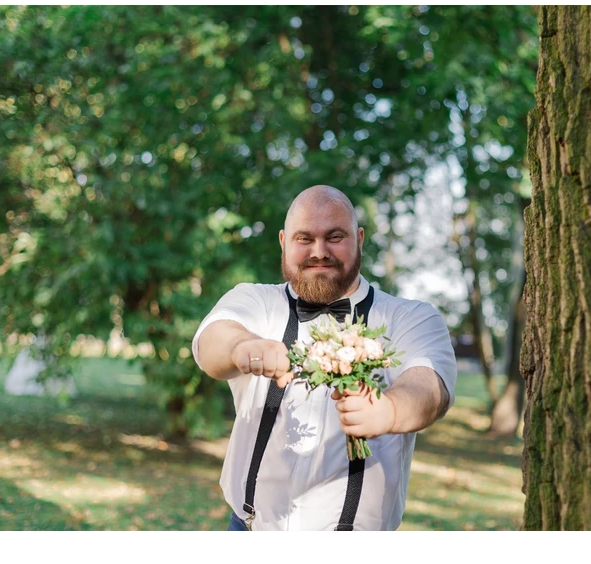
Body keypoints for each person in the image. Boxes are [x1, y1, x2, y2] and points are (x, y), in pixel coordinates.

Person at [192, 185, 457, 531]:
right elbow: (211, 340)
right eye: (304, 239)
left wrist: (389, 411)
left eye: (335, 237)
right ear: (284, 241)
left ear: (359, 239)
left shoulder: (411, 317)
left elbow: (431, 386)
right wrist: (244, 348)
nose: (319, 252)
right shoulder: (256, 301)